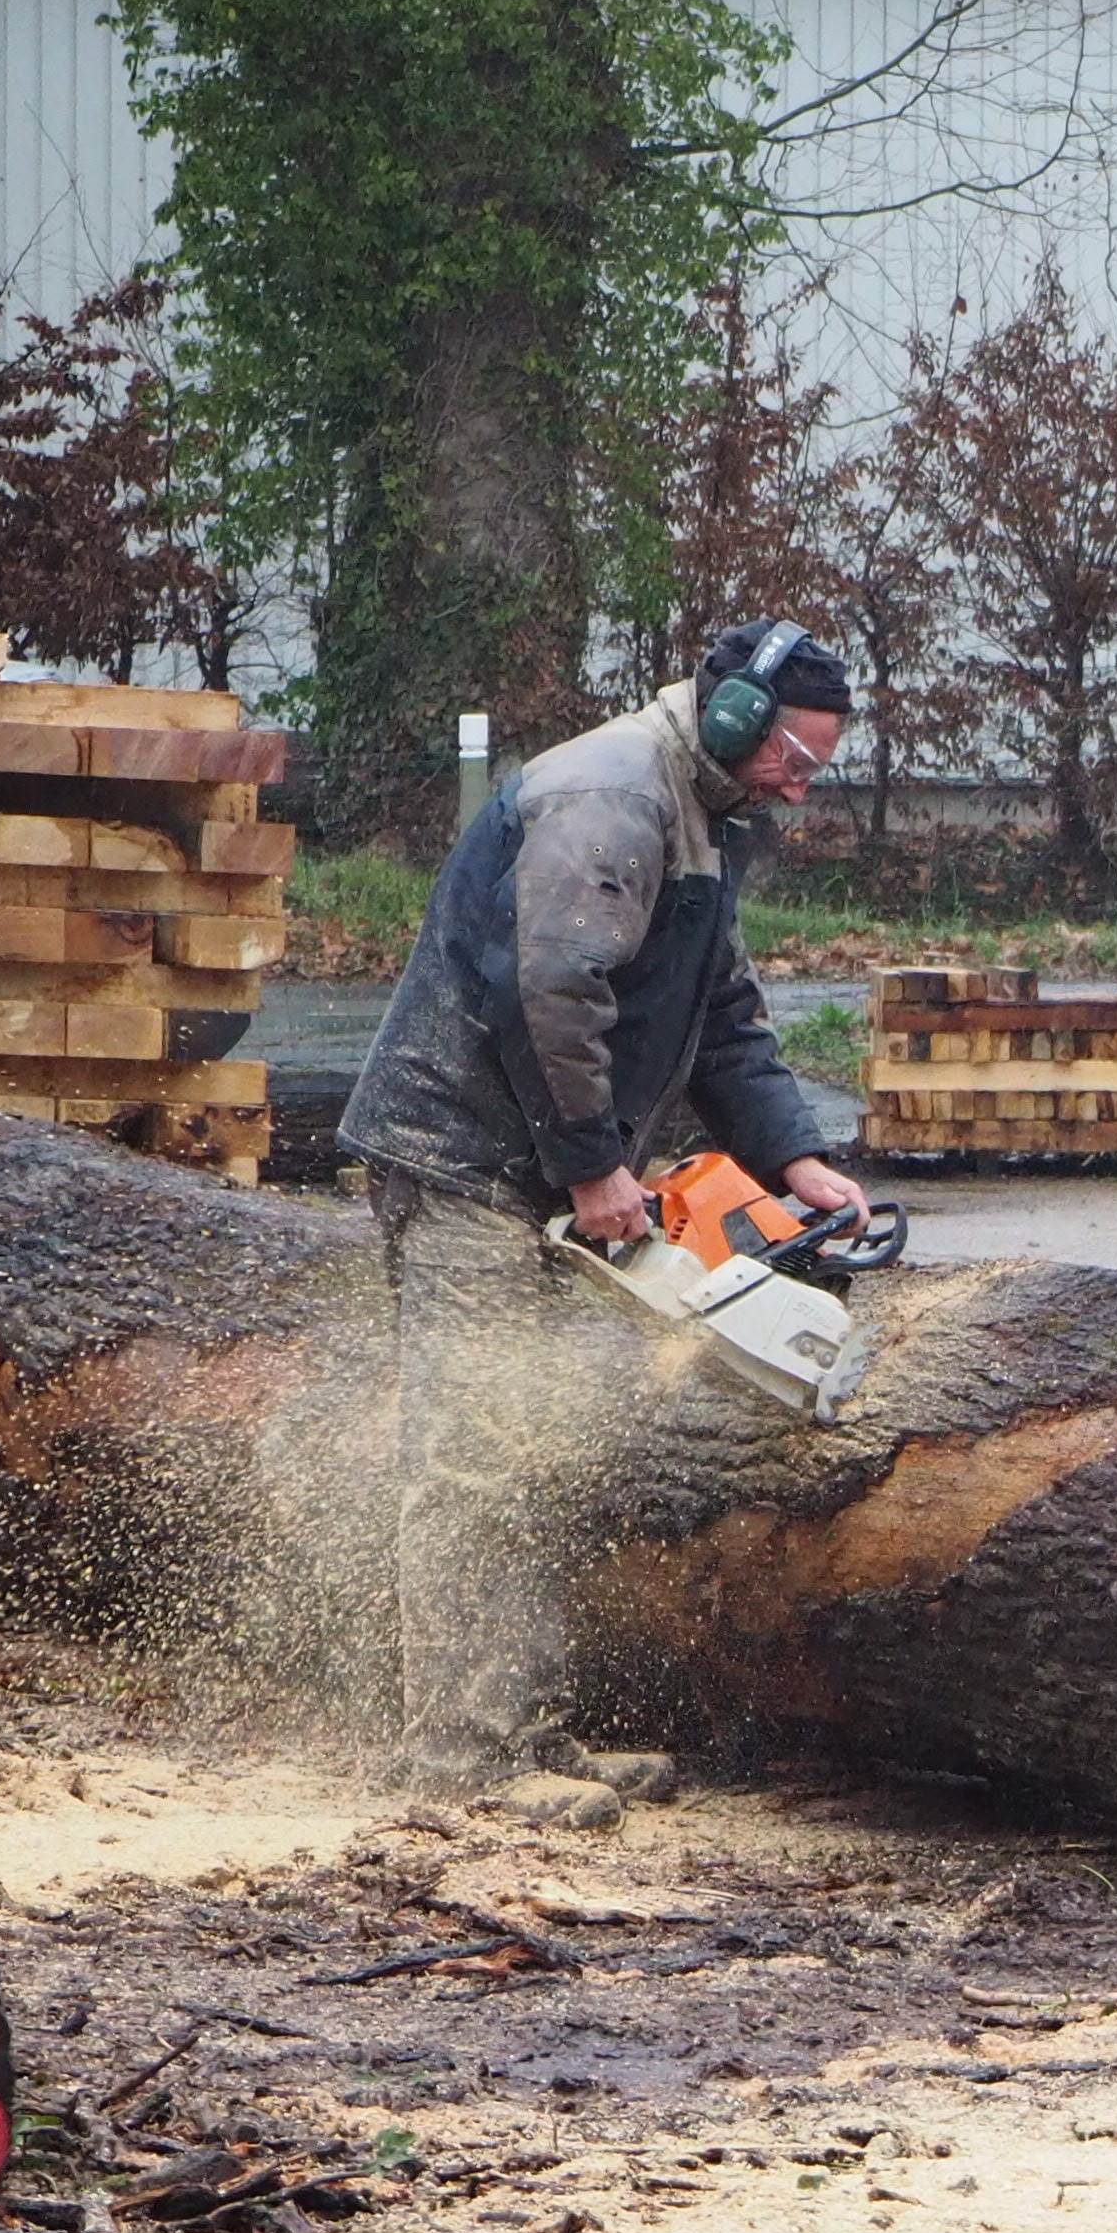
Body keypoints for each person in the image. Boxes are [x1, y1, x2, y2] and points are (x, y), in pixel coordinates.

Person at [340, 621, 872, 1785]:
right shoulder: (613, 797)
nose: (798, 782)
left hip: (537, 1166)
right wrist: (592, 1163)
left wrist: (795, 1159)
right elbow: (547, 984)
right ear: (734, 716)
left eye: (816, 768)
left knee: (539, 1448)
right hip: (466, 1159)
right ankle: (459, 1756)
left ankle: (524, 1729)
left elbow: (719, 1013)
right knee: (476, 1452)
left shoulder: (702, 819)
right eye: (796, 755)